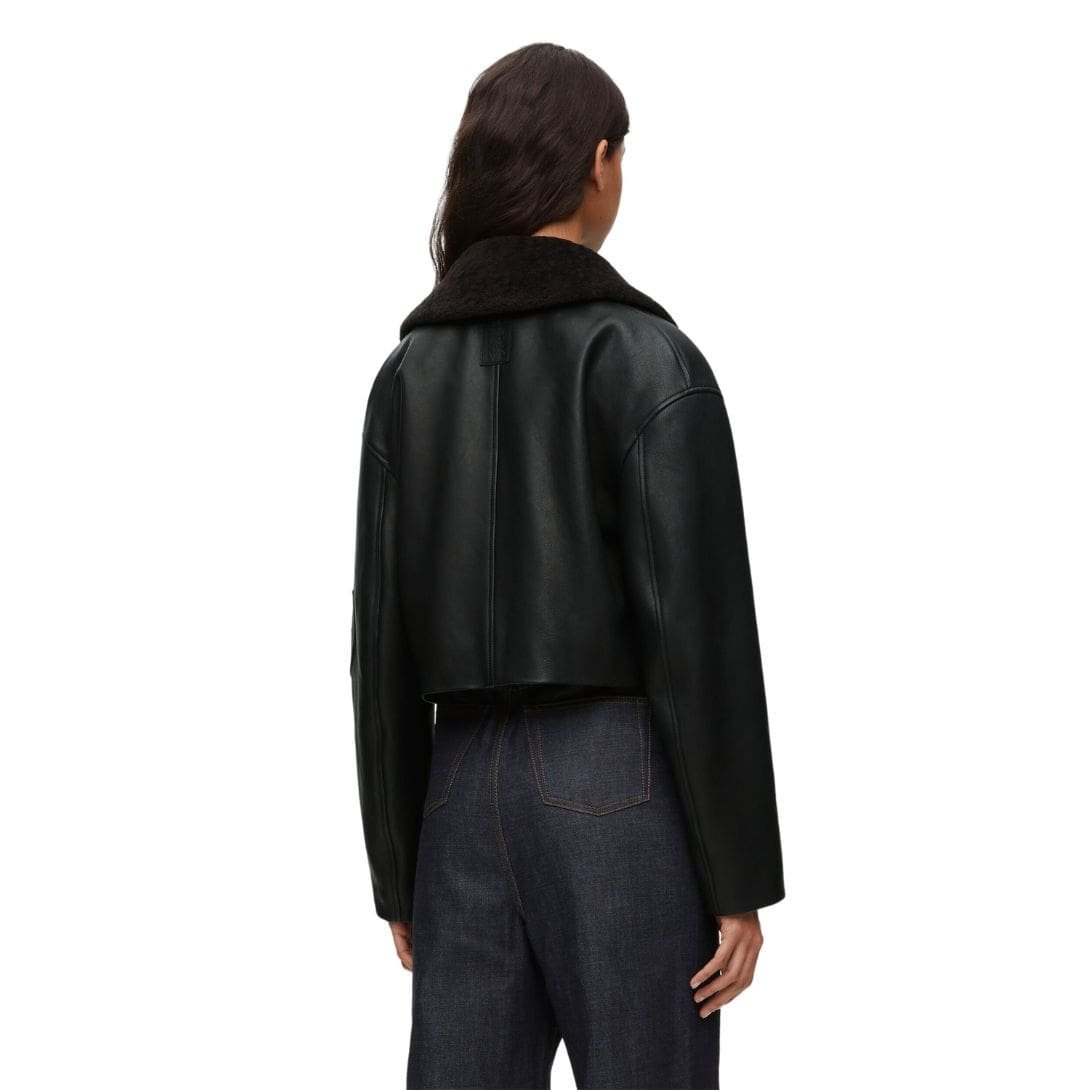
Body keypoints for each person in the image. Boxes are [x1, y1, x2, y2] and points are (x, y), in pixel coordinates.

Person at [349, 42, 786, 1090]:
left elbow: (379, 645)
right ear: (598, 161)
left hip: (456, 792)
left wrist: (398, 867)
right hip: (614, 786)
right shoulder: (645, 357)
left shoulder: (406, 376)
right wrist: (738, 877)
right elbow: (700, 630)